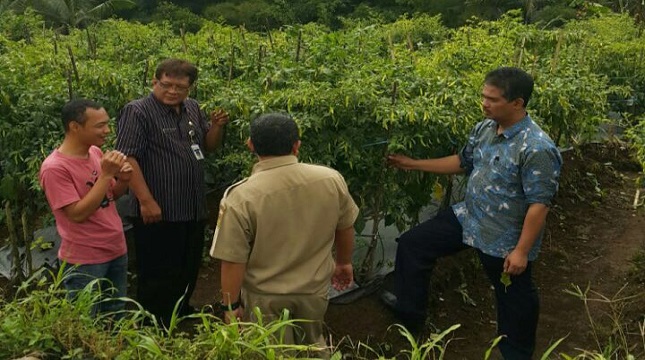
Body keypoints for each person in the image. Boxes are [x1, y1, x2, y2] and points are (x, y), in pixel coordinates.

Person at [381, 67, 562, 359]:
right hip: (469, 217)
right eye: (483, 96)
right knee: (414, 244)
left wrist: (521, 252)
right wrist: (412, 163)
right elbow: (462, 162)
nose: (484, 103)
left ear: (518, 103)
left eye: (492, 99)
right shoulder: (484, 129)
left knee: (513, 298)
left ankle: (516, 353)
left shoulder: (537, 147)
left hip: (503, 236)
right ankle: (409, 317)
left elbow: (539, 205)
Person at [209, 113, 359, 355]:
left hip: (265, 296)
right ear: (296, 146)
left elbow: (232, 258)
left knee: (270, 351)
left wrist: (231, 305)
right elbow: (345, 226)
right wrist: (343, 263)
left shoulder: (241, 196)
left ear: (250, 145)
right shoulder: (330, 179)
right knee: (311, 344)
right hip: (314, 290)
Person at [115, 58, 229, 324]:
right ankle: (154, 321)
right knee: (158, 268)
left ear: (190, 88)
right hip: (158, 206)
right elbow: (128, 158)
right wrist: (146, 200)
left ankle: (181, 310)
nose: (173, 91)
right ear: (155, 82)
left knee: (187, 264)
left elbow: (207, 146)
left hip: (190, 204)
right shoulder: (138, 111)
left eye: (181, 87)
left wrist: (216, 127)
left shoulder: (191, 108)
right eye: (166, 85)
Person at [39, 99, 132, 317]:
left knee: (116, 314)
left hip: (116, 248)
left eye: (107, 124)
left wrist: (124, 180)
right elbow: (77, 214)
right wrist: (107, 174)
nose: (107, 131)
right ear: (74, 127)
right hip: (84, 258)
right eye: (99, 126)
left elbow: (110, 196)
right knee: (85, 319)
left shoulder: (95, 153)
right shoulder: (54, 168)